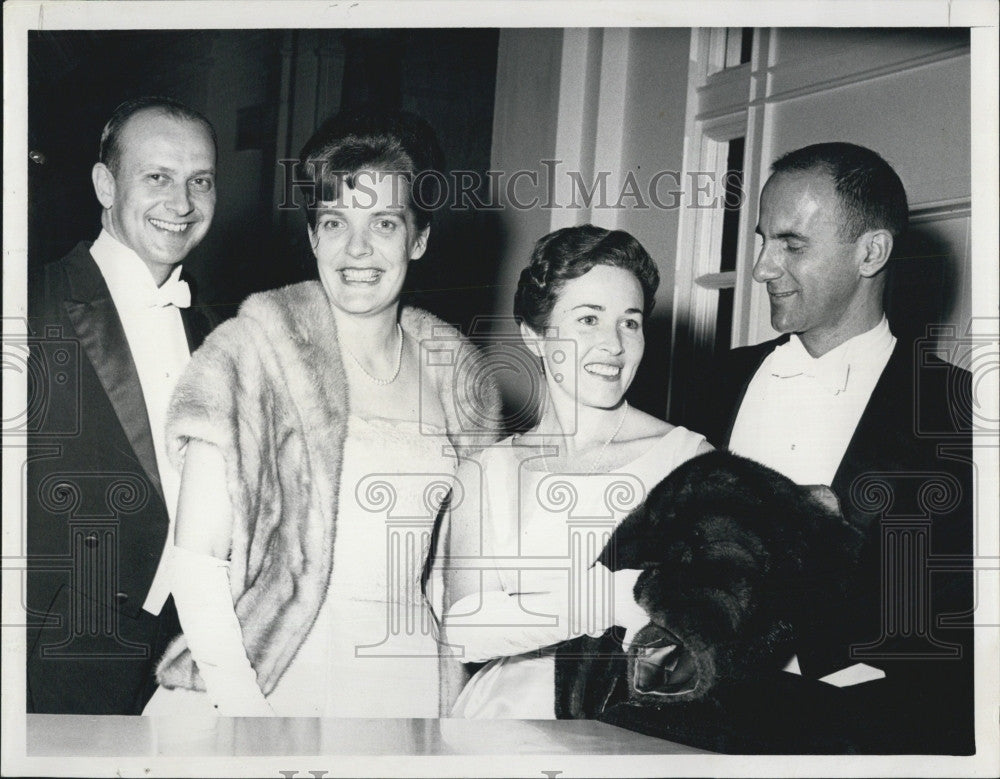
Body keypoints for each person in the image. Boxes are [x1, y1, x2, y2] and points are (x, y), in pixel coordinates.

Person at [142, 109, 501, 717]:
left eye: (384, 222)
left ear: (419, 238)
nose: (356, 248)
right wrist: (245, 719)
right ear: (313, 237)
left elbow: (455, 580)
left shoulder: (459, 381)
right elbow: (197, 568)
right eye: (335, 222)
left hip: (410, 683)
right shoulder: (250, 354)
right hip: (272, 680)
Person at [682, 142, 974, 753]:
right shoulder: (710, 384)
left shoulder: (957, 411)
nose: (762, 267)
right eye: (763, 240)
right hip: (691, 723)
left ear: (871, 252)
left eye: (791, 245)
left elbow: (964, 625)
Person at [438, 225, 713, 718]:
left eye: (630, 322)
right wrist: (613, 597)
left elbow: (708, 628)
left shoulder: (688, 460)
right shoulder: (487, 472)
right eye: (589, 319)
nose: (613, 344)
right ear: (534, 335)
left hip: (639, 727)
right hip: (502, 729)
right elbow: (464, 633)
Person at [26, 96, 219, 714]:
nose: (181, 202)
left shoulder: (223, 334)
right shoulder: (28, 304)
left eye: (201, 181)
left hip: (183, 660)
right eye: (157, 177)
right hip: (47, 656)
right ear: (105, 184)